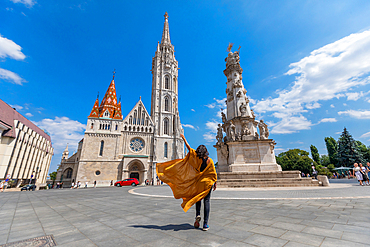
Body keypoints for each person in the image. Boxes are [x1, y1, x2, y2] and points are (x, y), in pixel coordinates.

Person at [156, 134, 217, 231]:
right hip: (208, 183)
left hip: (199, 183)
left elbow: (189, 148)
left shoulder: (196, 157)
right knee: (207, 201)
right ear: (206, 151)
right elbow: (213, 173)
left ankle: (197, 216)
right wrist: (215, 183)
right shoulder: (210, 161)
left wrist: (184, 138)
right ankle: (205, 224)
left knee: (197, 199)